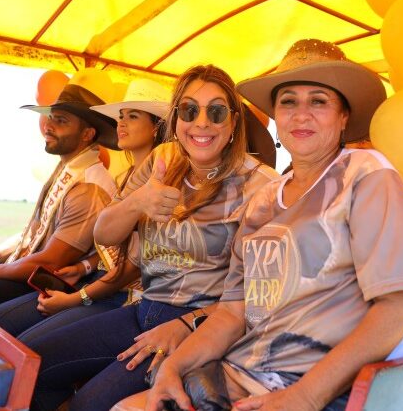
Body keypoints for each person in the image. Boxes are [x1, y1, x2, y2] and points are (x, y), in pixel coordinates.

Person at [120, 39, 403, 411]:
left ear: (343, 116)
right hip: (241, 374)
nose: (301, 115)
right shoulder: (264, 201)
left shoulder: (369, 177)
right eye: (288, 102)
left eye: (318, 101)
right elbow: (233, 313)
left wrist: (307, 396)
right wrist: (174, 365)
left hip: (324, 388)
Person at [23, 65, 278, 411]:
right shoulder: (164, 159)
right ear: (175, 120)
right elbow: (104, 232)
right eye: (189, 110)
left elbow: (261, 298)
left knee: (89, 404)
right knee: (34, 364)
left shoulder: (261, 185)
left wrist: (189, 324)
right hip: (144, 309)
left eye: (216, 112)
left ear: (233, 123)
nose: (201, 122)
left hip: (198, 327)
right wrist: (137, 203)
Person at [0, 78, 170, 337]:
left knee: (26, 338)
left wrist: (76, 299)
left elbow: (132, 267)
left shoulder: (158, 185)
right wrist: (84, 267)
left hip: (128, 297)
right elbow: (118, 249)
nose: (121, 123)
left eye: (133, 116)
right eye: (120, 116)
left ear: (156, 128)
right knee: (2, 321)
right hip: (102, 284)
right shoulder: (126, 178)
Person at [0, 68, 119, 315]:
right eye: (51, 117)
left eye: (61, 121)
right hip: (30, 274)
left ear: (87, 134)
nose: (48, 125)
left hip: (53, 286)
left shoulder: (89, 187)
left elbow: (49, 261)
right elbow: (31, 237)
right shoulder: (66, 170)